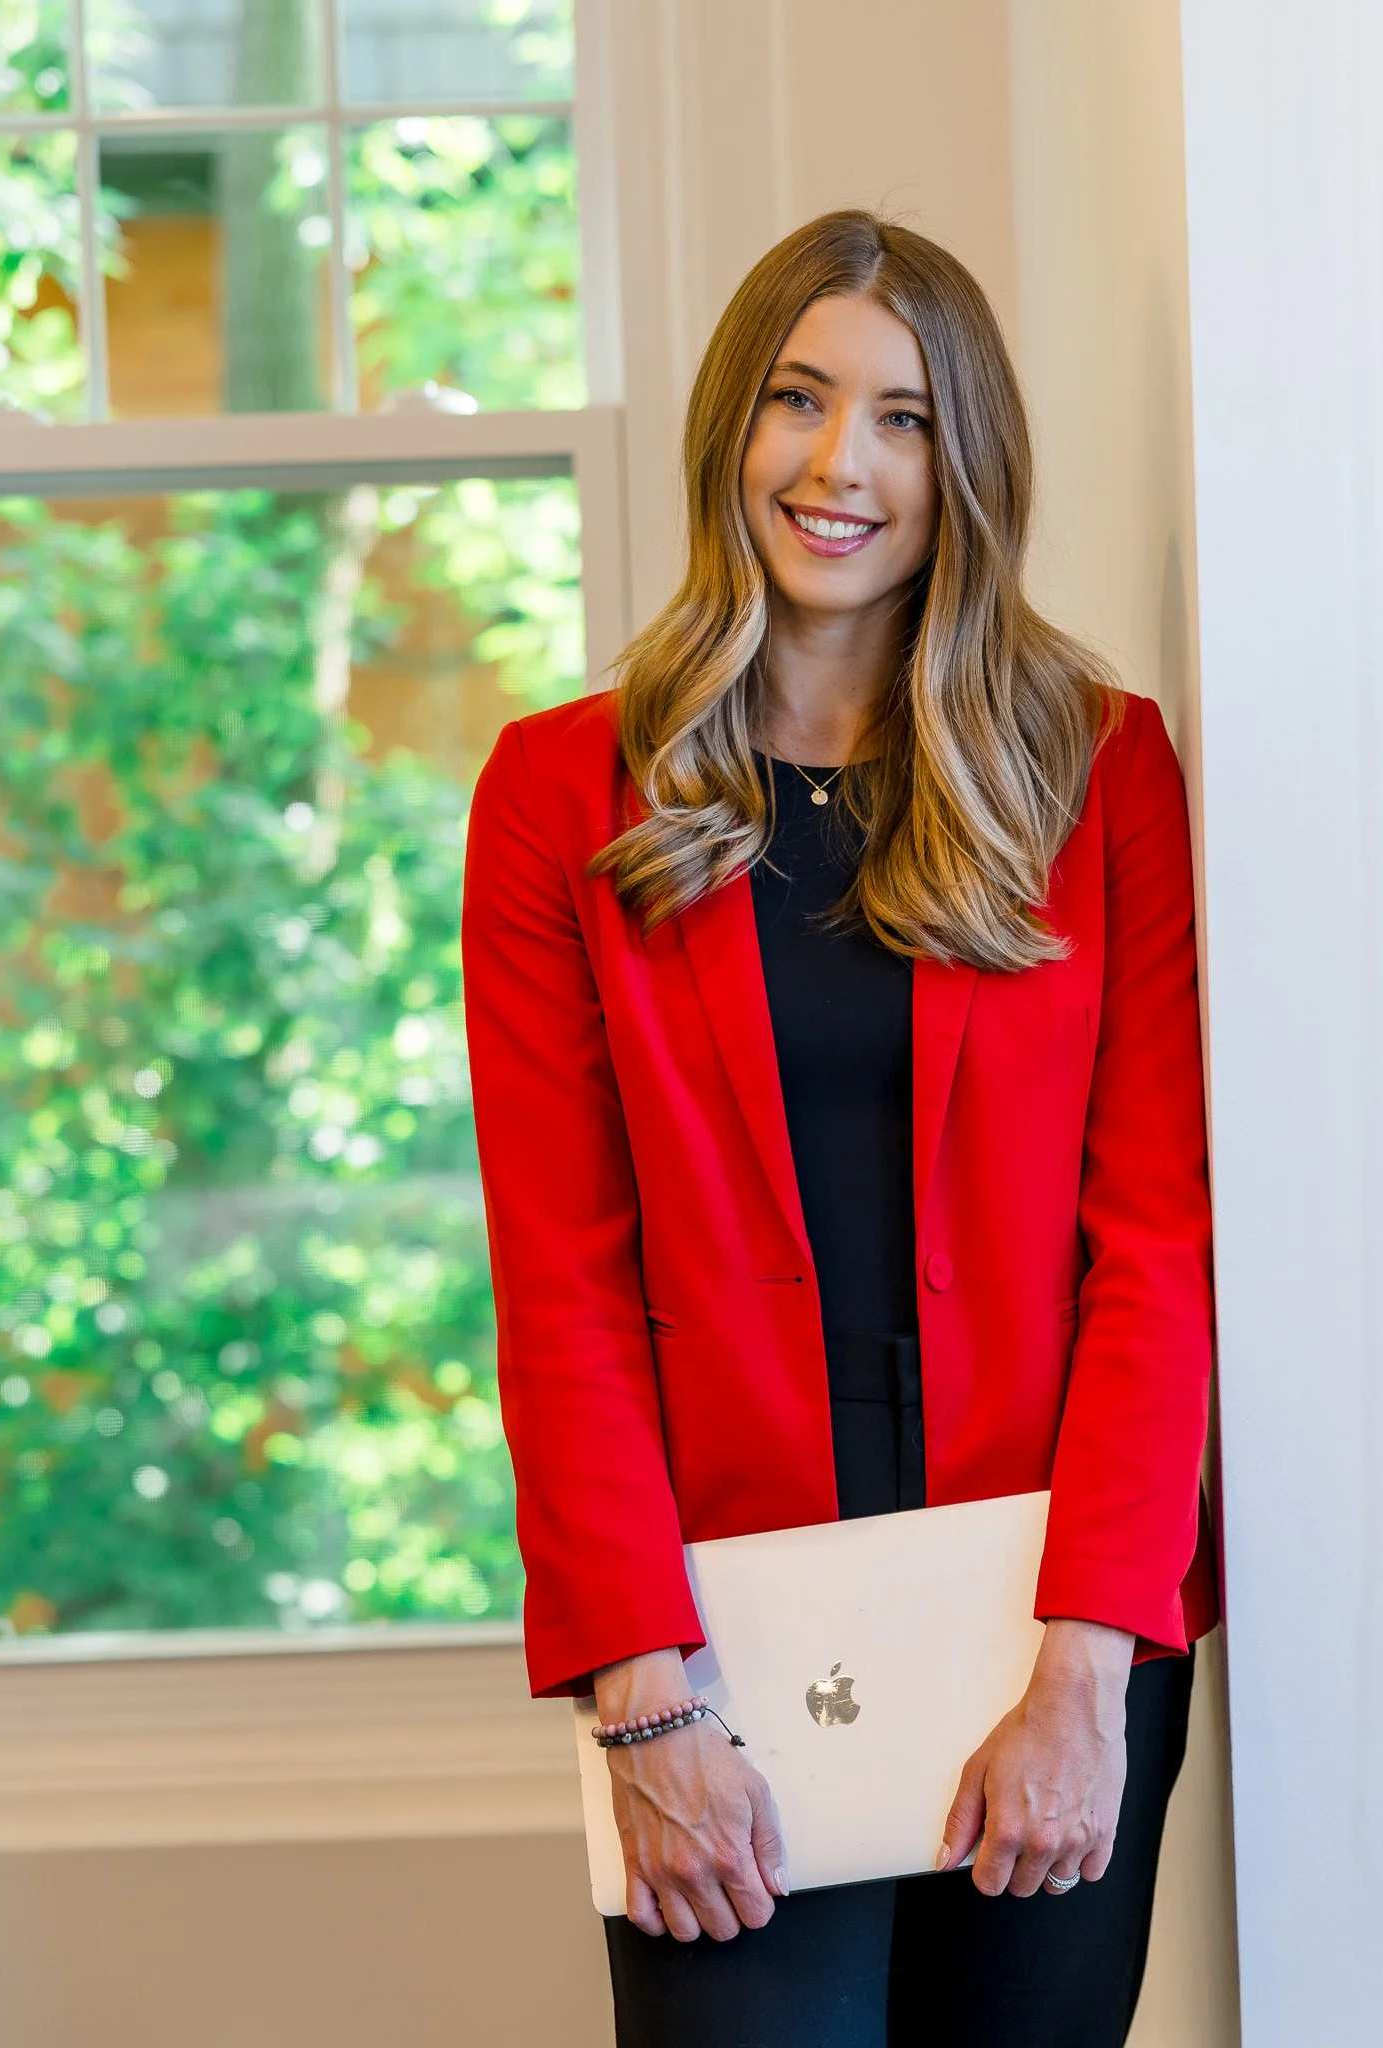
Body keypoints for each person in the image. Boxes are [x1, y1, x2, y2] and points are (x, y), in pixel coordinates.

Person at [461, 210, 1216, 2048]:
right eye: (799, 400)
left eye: (904, 417)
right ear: (735, 426)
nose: (839, 465)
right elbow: (561, 1283)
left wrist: (1087, 1659)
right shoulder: (560, 798)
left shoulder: (1097, 770)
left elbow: (1158, 1243)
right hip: (719, 1639)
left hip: (1050, 1626)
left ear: (967, 467)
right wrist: (646, 1694)